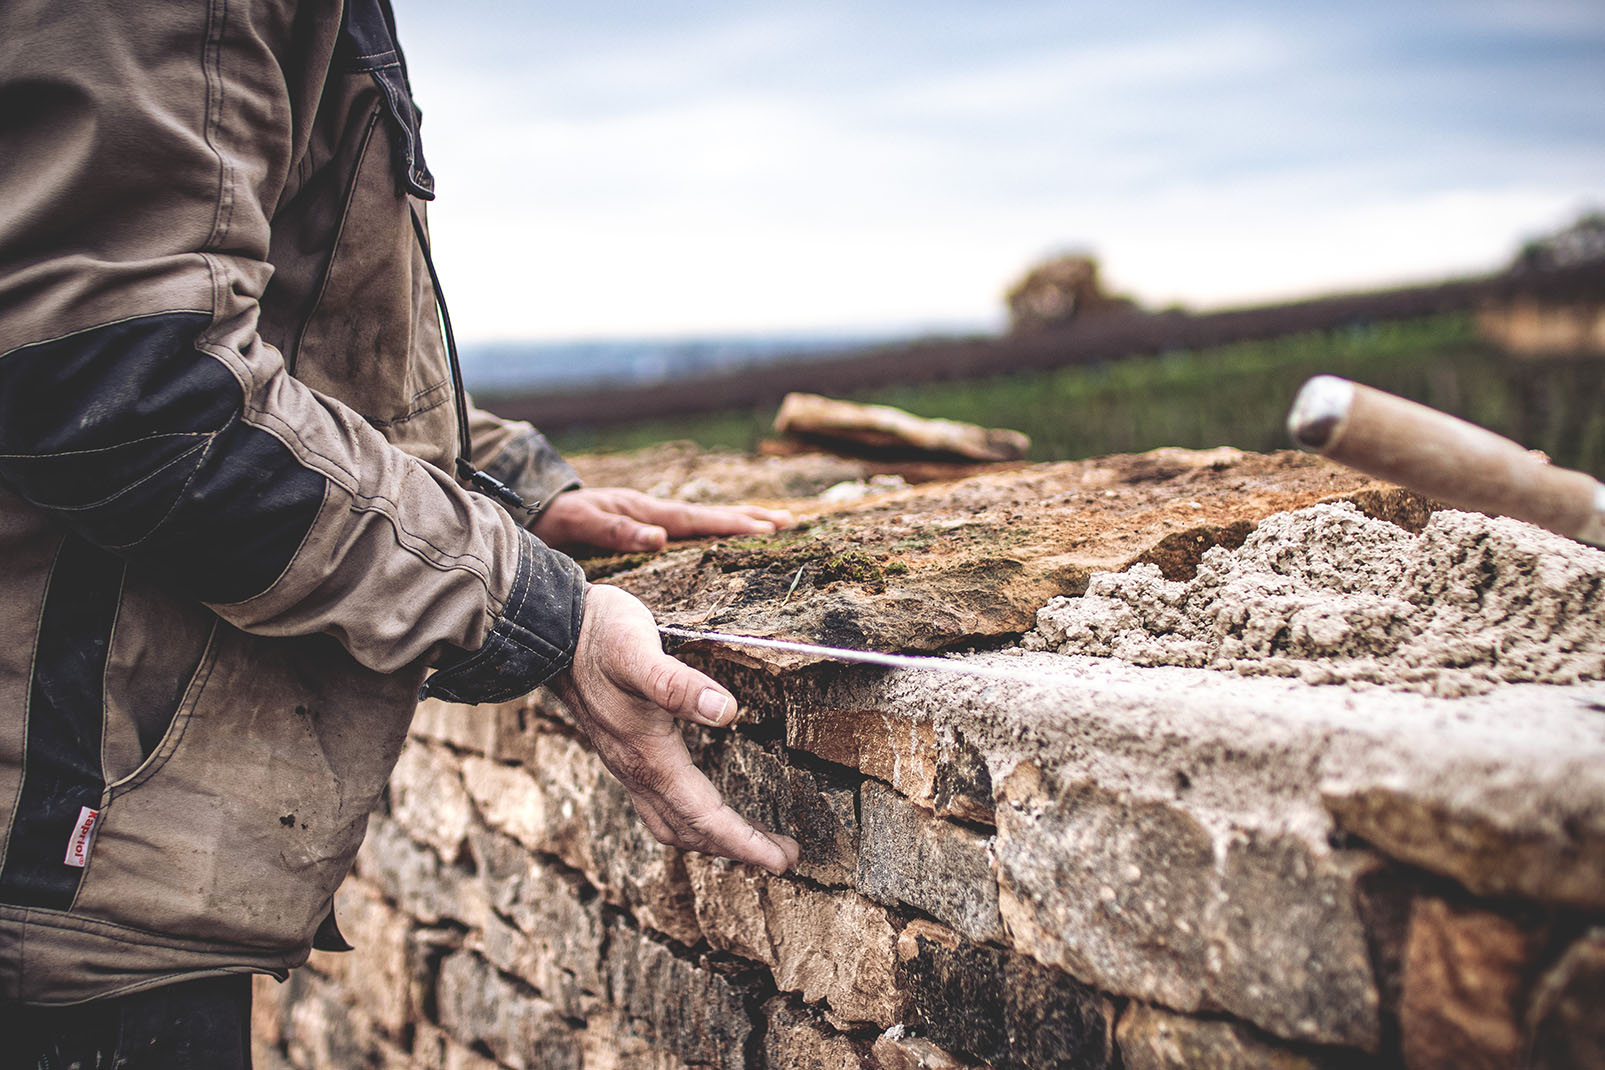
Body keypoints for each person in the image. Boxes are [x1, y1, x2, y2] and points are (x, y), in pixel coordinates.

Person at [0, 0, 799, 1063]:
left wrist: (503, 484)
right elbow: (132, 391)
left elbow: (287, 323)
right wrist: (529, 605)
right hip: (58, 852)